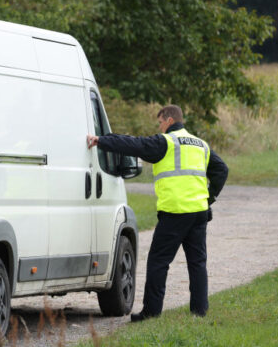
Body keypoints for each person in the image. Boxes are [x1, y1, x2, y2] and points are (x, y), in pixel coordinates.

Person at [86, 105, 228, 321]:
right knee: (197, 263)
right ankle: (199, 312)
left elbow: (134, 144)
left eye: (160, 122)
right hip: (199, 212)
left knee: (158, 262)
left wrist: (101, 140)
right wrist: (209, 198)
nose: (160, 127)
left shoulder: (167, 142)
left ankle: (152, 312)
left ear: (169, 120)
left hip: (175, 212)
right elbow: (221, 170)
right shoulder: (201, 144)